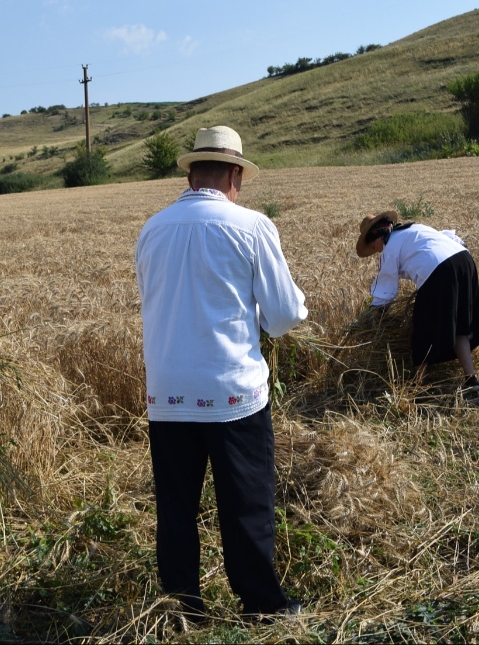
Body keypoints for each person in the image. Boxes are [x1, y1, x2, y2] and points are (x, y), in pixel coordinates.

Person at [135, 125, 308, 621]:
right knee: (246, 503)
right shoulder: (251, 226)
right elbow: (281, 316)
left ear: (191, 173)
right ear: (234, 173)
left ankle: (184, 606)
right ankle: (262, 604)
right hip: (231, 391)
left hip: (166, 393)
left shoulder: (153, 227)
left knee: (175, 505)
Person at [356, 212, 479, 393]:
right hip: (464, 260)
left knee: (422, 329)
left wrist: (373, 314)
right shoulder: (414, 228)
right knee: (459, 324)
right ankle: (471, 381)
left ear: (376, 235)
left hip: (439, 270)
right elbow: (450, 238)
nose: (376, 251)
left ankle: (417, 387)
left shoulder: (390, 246)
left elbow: (386, 289)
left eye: (372, 245)